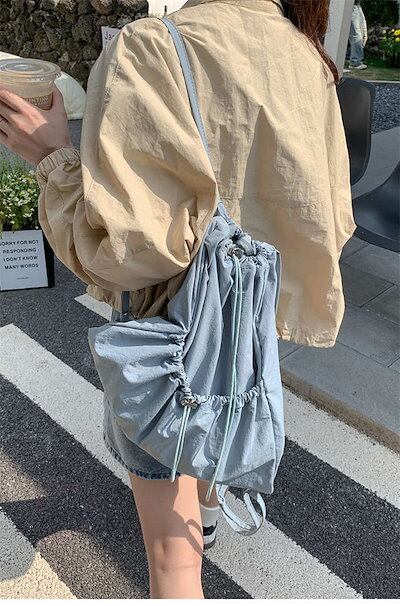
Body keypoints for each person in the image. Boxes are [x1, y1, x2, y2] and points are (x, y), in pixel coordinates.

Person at [0, 0, 356, 598]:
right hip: (250, 314)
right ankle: (208, 513)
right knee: (216, 416)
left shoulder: (151, 47)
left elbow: (125, 251)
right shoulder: (305, 52)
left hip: (164, 330)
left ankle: (198, 526)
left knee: (173, 564)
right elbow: (330, 213)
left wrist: (51, 155)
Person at [344, 0, 368, 71]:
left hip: (357, 6)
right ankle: (355, 62)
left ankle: (351, 58)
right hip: (349, 5)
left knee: (362, 34)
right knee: (356, 35)